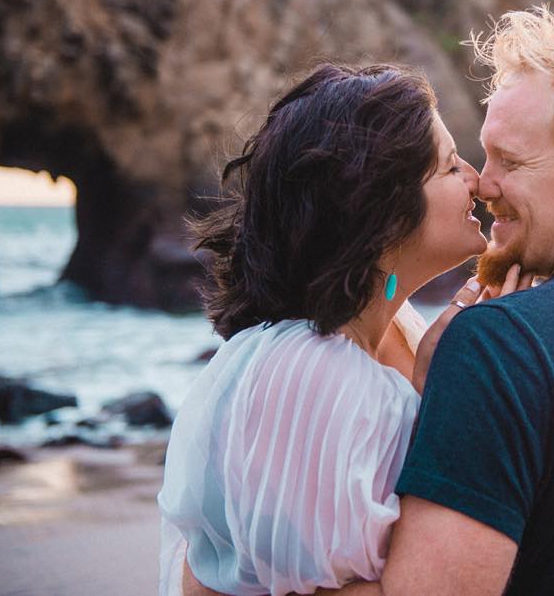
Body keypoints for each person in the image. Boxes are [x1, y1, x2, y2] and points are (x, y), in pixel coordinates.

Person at [186, 8, 554, 596]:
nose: (484, 181)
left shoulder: (499, 343)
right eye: (479, 155)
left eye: (513, 160)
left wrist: (212, 579)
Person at [158, 63, 496, 596]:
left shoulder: (399, 327)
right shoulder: (306, 371)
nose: (477, 181)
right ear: (383, 212)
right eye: (451, 168)